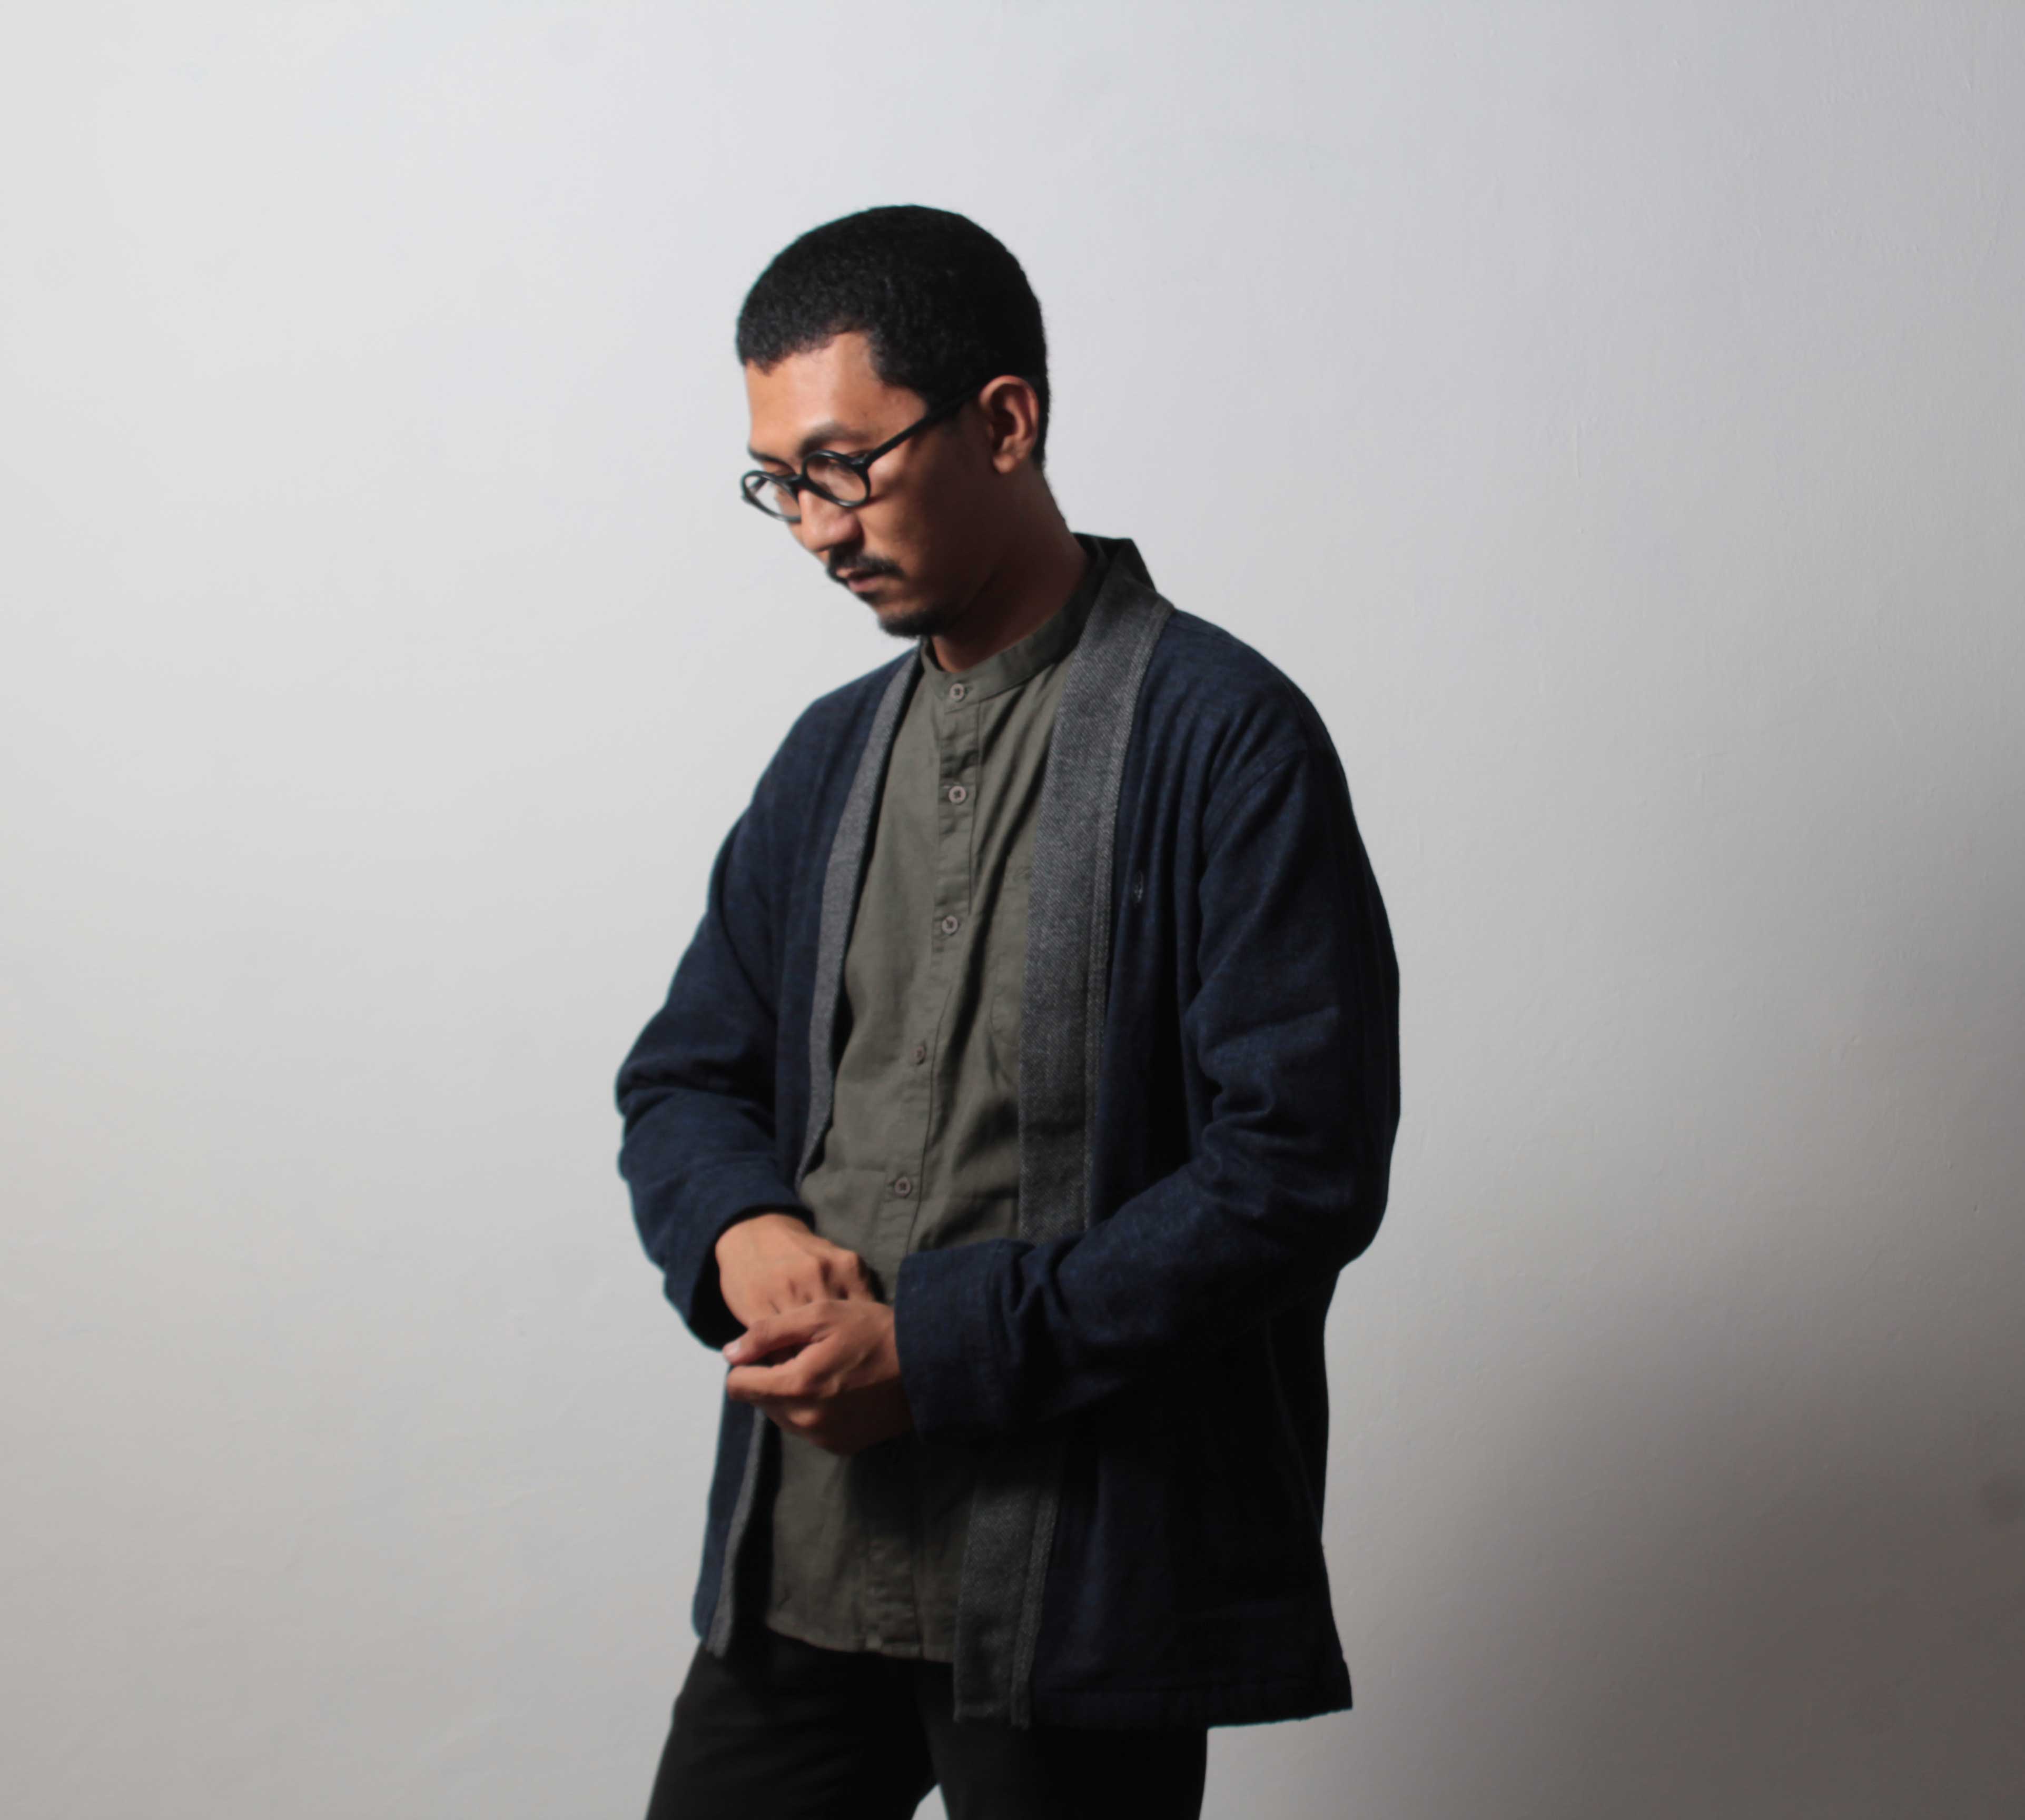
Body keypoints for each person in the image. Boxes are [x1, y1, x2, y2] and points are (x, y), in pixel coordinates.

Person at [614, 204, 1400, 1820]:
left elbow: (1298, 1173)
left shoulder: (1224, 739)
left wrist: (940, 1349)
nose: (816, 530)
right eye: (780, 483)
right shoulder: (828, 757)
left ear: (1004, 422)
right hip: (807, 1553)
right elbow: (684, 1078)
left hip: (1076, 1575)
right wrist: (740, 1232)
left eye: (844, 467)